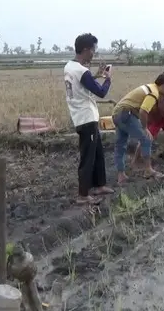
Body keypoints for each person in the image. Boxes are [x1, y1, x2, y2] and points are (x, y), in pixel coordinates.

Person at [64, 33, 114, 205]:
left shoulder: (70, 66)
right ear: (85, 50)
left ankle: (100, 185)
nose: (94, 53)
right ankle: (83, 194)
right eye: (93, 50)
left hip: (82, 116)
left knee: (98, 152)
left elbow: (83, 83)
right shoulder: (82, 71)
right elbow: (100, 92)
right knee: (88, 157)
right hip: (86, 118)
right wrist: (107, 79)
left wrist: (96, 75)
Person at [112, 73, 164, 184]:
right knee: (146, 138)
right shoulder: (154, 93)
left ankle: (121, 176)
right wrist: (144, 128)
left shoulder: (149, 87)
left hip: (117, 114)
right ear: (163, 85)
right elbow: (143, 111)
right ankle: (148, 170)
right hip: (126, 113)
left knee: (120, 145)